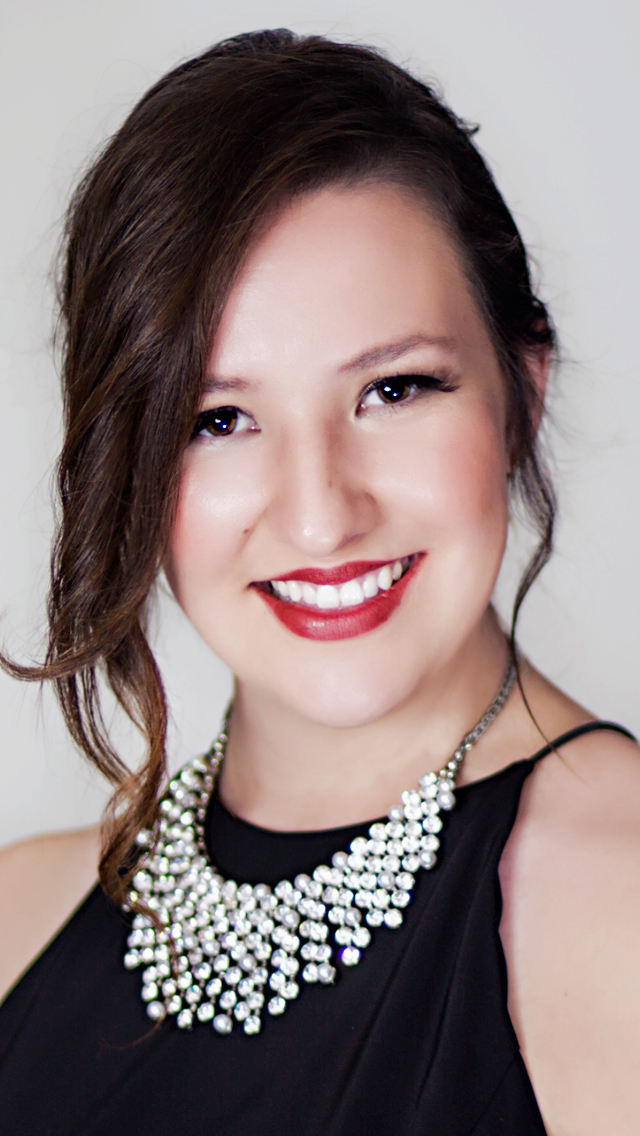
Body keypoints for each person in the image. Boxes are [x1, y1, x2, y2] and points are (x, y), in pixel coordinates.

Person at [0, 28, 638, 1136]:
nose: (318, 514)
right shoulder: (19, 916)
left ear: (521, 394)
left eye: (393, 390)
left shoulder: (614, 902)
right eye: (217, 419)